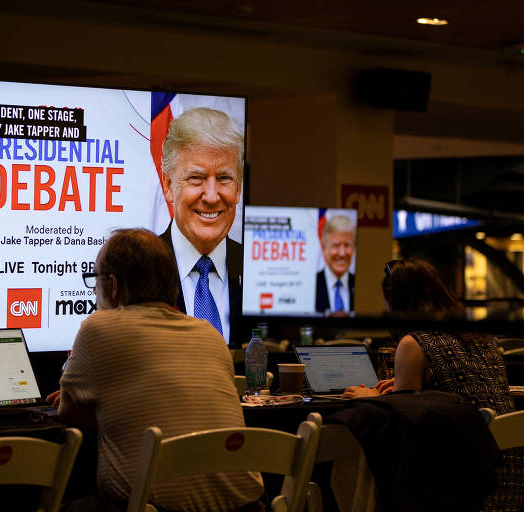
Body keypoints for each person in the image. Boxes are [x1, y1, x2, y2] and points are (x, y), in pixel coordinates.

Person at [48, 228, 264, 512]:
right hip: (245, 507)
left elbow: (70, 413)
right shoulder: (210, 333)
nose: (94, 290)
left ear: (112, 285)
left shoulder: (98, 328)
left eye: (95, 280)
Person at [343, 258, 522, 511]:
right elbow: (456, 391)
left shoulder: (414, 342)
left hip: (466, 482)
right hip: (510, 472)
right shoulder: (482, 337)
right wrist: (412, 388)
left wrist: (372, 398)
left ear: (398, 301)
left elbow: (403, 426)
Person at [158, 107, 243, 346]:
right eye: (196, 178)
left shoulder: (258, 272)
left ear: (238, 188)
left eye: (225, 178)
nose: (212, 196)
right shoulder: (138, 271)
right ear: (168, 185)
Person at [315, 215, 356, 315]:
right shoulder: (313, 284)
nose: (342, 253)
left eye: (347, 245)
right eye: (336, 245)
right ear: (324, 249)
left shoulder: (360, 285)